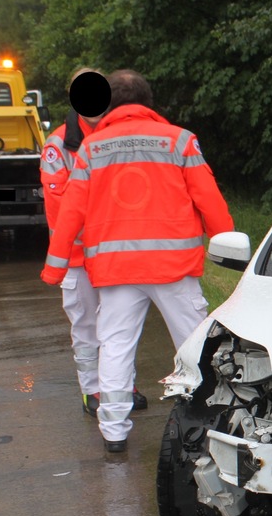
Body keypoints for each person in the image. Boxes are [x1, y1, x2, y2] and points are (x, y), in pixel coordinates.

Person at [41, 69, 233, 454]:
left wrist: (54, 267)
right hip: (173, 268)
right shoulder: (180, 141)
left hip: (116, 271)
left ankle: (113, 430)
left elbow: (70, 214)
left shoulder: (92, 148)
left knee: (115, 346)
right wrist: (228, 246)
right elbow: (209, 200)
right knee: (195, 344)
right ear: (149, 101)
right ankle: (211, 416)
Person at [40, 69, 147, 419]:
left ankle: (122, 386)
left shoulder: (120, 136)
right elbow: (62, 206)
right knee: (86, 326)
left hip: (116, 252)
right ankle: (92, 389)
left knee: (120, 325)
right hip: (77, 255)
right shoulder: (59, 145)